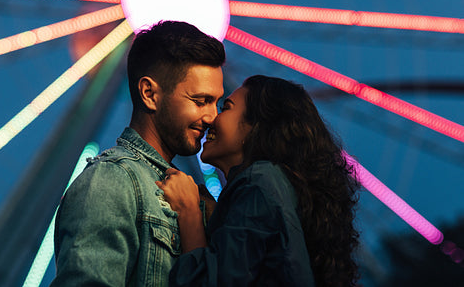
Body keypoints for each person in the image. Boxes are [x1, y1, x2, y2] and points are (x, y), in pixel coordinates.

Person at [50, 21, 225, 286]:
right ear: (149, 93)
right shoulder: (110, 182)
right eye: (201, 101)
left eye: (217, 103)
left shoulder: (191, 195)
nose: (212, 117)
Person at [156, 75, 361, 286]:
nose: (211, 119)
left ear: (256, 127)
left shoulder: (259, 183)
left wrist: (188, 212)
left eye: (226, 107)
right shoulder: (273, 186)